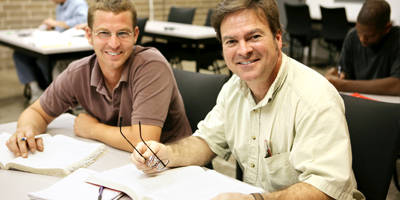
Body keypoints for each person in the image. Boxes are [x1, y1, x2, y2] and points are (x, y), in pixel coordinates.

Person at [130, 0, 365, 199]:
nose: (243, 50)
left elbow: (326, 190)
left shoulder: (313, 98)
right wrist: (166, 153)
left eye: (254, 36)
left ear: (278, 38)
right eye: (231, 41)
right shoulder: (235, 88)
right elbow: (206, 141)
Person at [6, 0, 191, 159]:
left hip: (172, 168)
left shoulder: (151, 66)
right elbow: (36, 112)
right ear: (89, 35)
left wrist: (93, 129)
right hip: (119, 159)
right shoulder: (78, 72)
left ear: (135, 35)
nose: (113, 43)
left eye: (122, 33)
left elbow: (143, 140)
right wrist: (25, 131)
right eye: (103, 33)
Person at [13, 0, 88, 104]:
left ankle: (59, 94)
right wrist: (52, 26)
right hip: (61, 41)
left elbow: (83, 22)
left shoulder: (77, 3)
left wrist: (56, 23)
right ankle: (37, 91)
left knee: (43, 61)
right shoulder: (59, 6)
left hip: (75, 46)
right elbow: (61, 28)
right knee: (20, 54)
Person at [325, 0, 400, 96]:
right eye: (359, 32)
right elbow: (343, 69)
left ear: (387, 28)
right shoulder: (352, 36)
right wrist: (340, 75)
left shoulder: (396, 40)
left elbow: (397, 85)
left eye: (370, 35)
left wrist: (344, 85)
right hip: (358, 98)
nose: (362, 39)